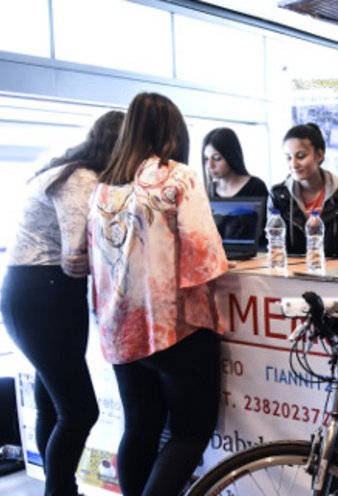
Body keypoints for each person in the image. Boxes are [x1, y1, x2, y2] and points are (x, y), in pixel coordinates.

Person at [88, 92, 228, 496]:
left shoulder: (104, 187)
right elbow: (205, 255)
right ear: (173, 131)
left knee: (140, 428)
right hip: (174, 328)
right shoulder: (178, 177)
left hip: (119, 328)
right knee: (189, 434)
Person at [0, 110, 123, 496]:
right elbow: (74, 256)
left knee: (53, 405)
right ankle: (60, 490)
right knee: (80, 410)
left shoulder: (64, 170)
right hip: (45, 293)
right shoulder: (81, 179)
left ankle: (59, 488)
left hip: (35, 292)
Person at [270, 123, 338, 259]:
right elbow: (275, 246)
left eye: (301, 156)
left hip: (336, 270)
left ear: (319, 155)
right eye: (289, 157)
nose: (293, 164)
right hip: (291, 271)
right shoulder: (278, 195)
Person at [201, 127, 268, 199]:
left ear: (231, 156)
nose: (210, 165)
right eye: (206, 159)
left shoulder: (255, 187)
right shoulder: (206, 191)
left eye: (217, 158)